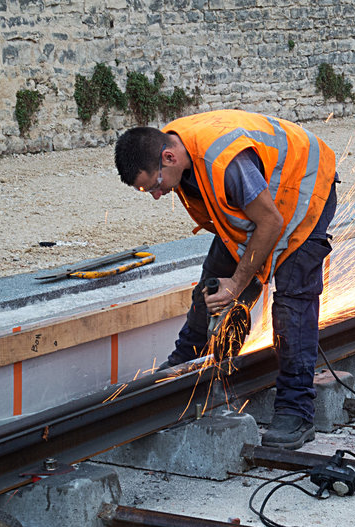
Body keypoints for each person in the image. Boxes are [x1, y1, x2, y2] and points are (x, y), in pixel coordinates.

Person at [114, 109, 338, 450]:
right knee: (212, 289)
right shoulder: (178, 151)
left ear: (168, 157)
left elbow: (272, 224)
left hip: (304, 194)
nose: (157, 195)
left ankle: (296, 410)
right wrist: (228, 284)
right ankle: (183, 373)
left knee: (292, 303)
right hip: (264, 207)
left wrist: (239, 283)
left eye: (155, 185)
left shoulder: (225, 162)